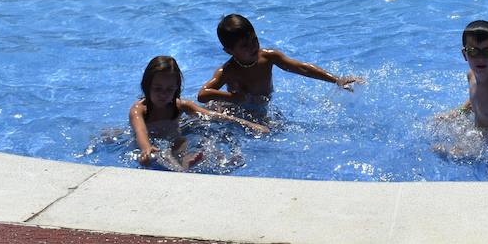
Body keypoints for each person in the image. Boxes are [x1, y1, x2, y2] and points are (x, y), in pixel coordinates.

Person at [198, 14, 361, 112]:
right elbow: (203, 94)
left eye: (254, 40)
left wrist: (336, 80)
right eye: (245, 46)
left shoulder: (268, 57)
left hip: (260, 111)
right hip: (235, 112)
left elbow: (302, 68)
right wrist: (236, 98)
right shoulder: (229, 70)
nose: (253, 47)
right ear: (229, 51)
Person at [129, 55, 268, 170]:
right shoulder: (139, 110)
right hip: (148, 142)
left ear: (176, 89)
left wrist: (248, 124)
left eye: (169, 89)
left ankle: (186, 164)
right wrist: (146, 148)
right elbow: (141, 132)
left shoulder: (181, 105)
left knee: (183, 141)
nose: (163, 94)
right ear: (147, 86)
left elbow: (212, 116)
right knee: (152, 158)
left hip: (174, 140)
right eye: (158, 89)